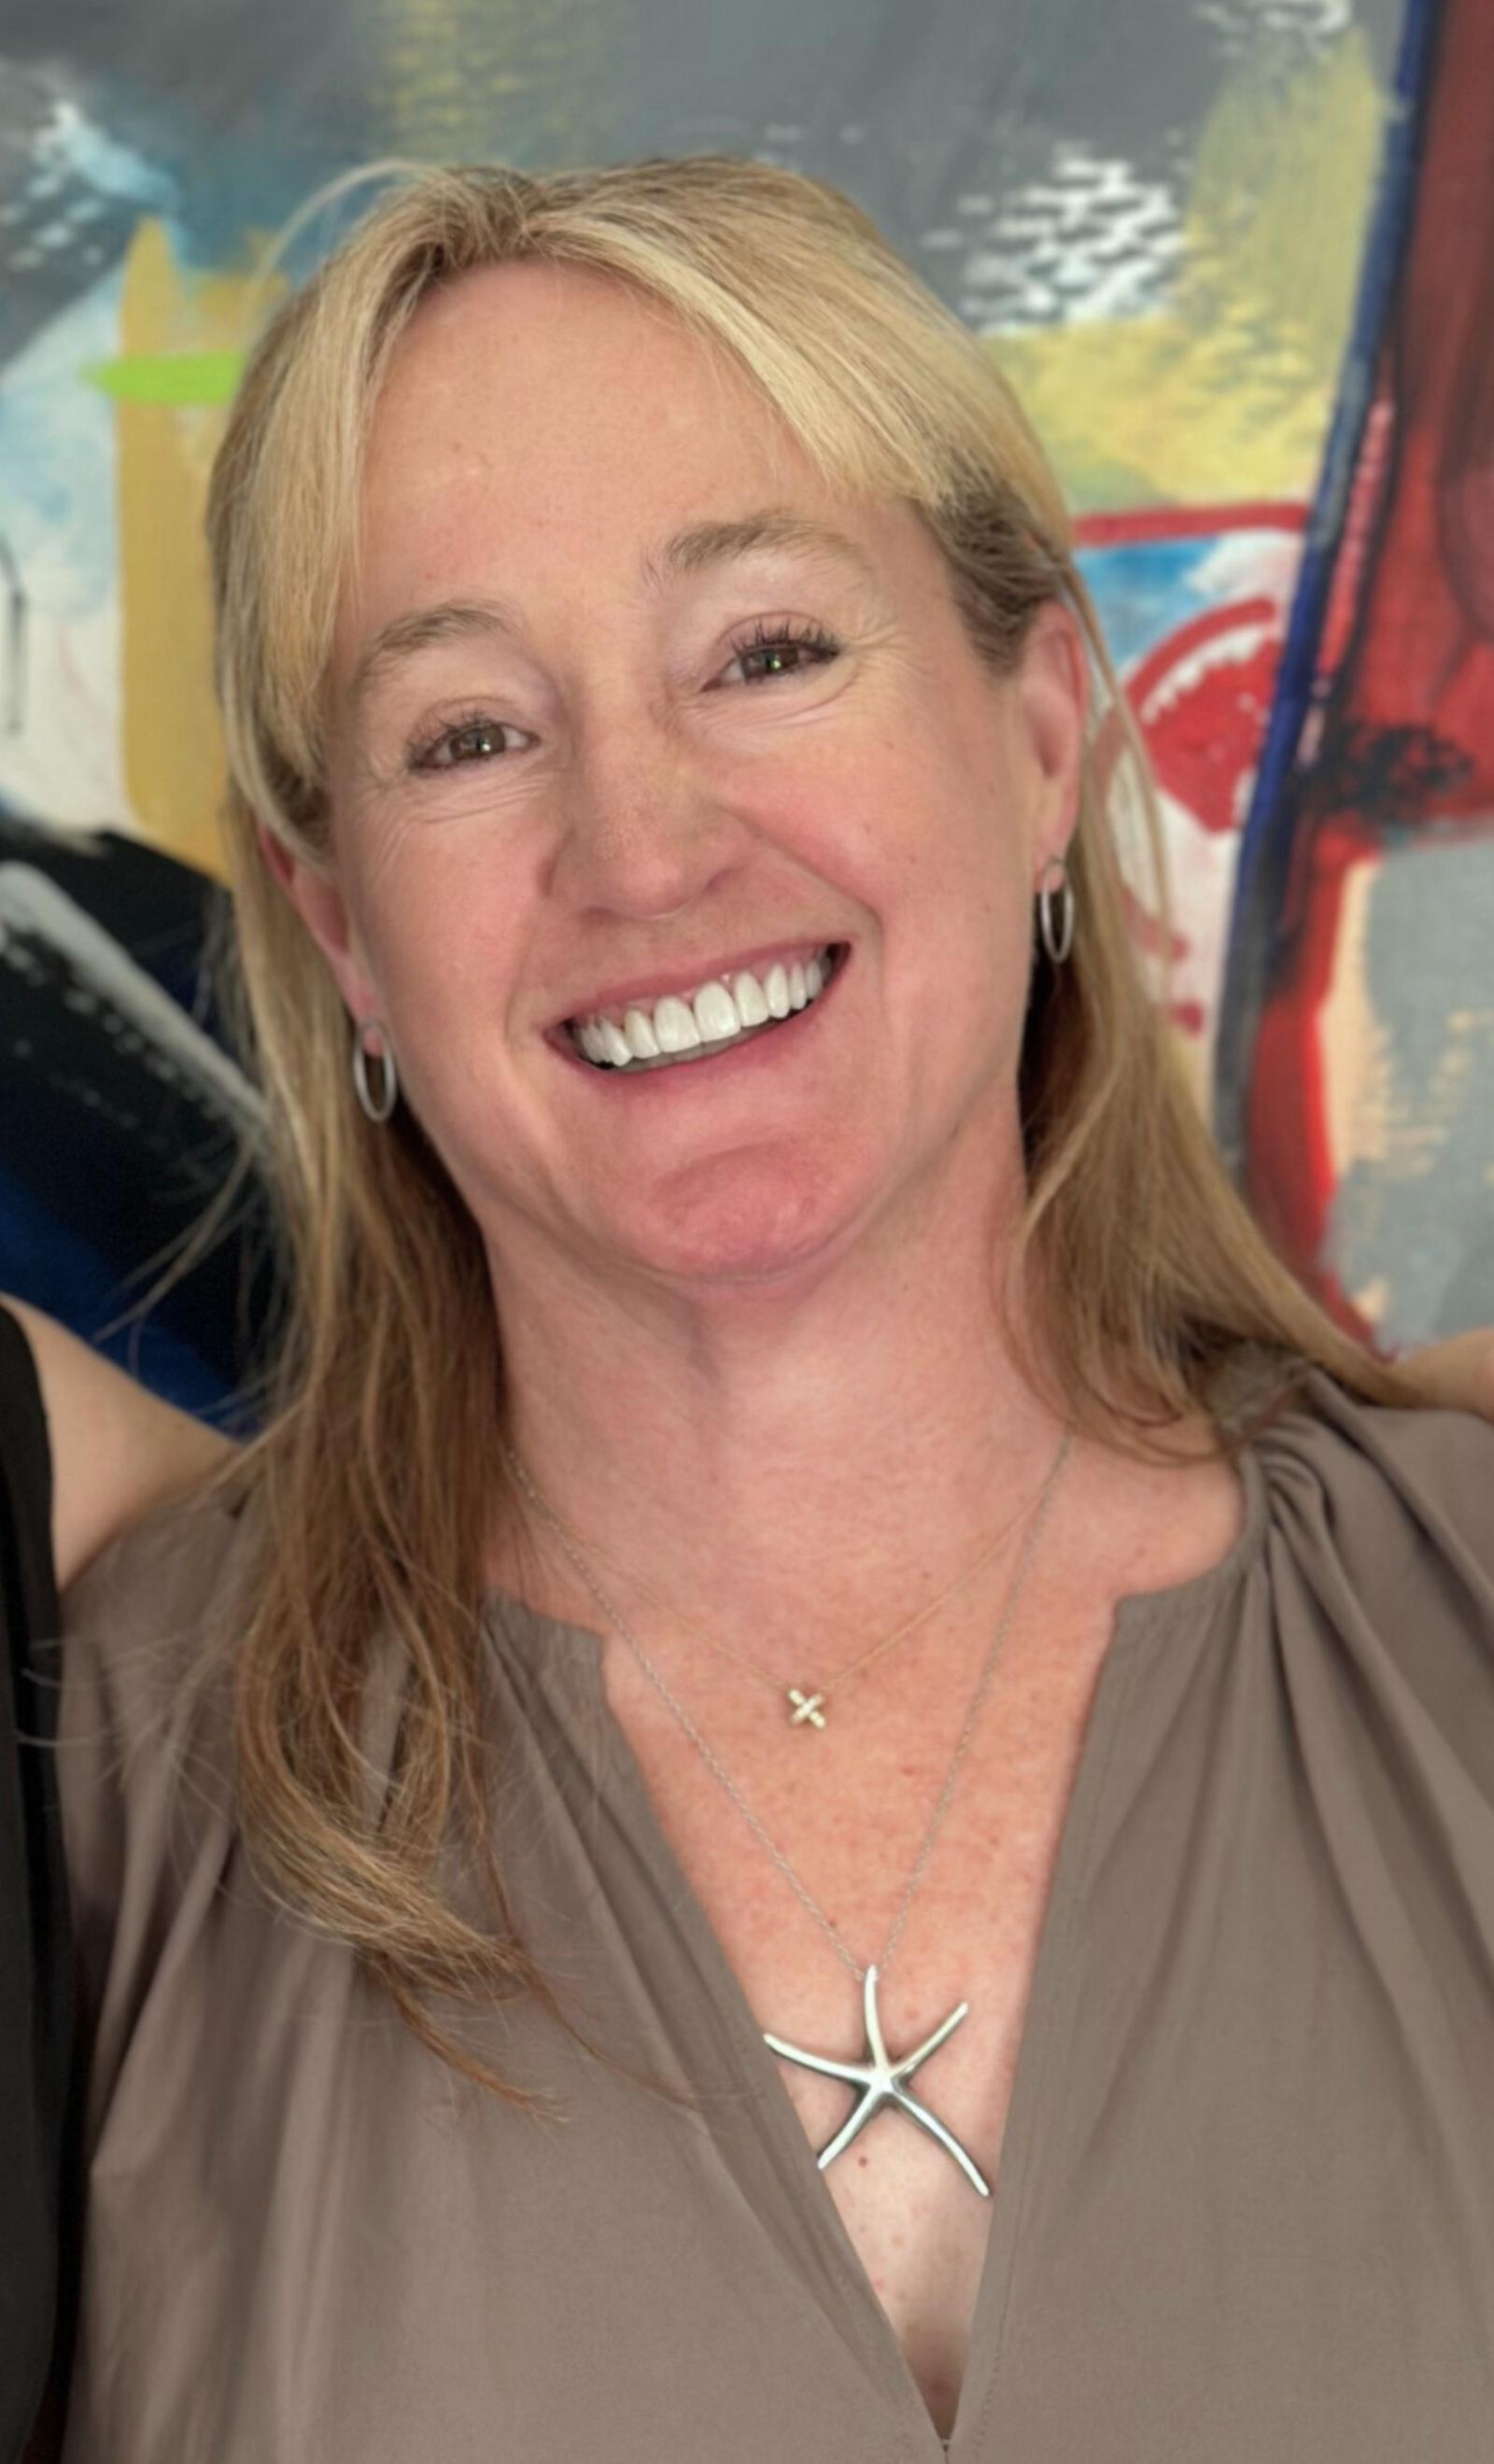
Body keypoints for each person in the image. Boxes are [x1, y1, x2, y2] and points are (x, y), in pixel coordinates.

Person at [39, 158, 1494, 2460]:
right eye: (467, 735)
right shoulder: (99, 1763)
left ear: (1035, 747)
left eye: (767, 652)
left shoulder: (1454, 1613)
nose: (642, 846)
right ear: (339, 935)